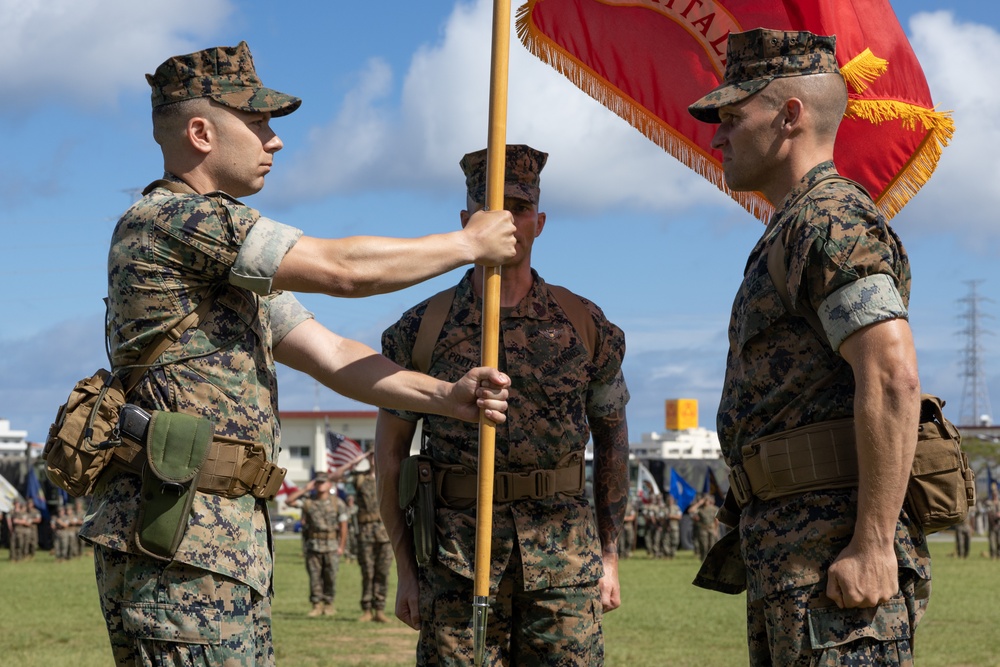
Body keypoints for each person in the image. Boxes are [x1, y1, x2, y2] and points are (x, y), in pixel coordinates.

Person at [79, 41, 517, 665]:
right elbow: (343, 270)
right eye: (256, 122)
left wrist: (445, 398)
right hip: (179, 549)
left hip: (213, 547)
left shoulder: (220, 261)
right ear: (201, 132)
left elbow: (333, 354)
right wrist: (467, 243)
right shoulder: (176, 220)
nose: (274, 140)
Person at [688, 29, 930, 665]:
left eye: (733, 116)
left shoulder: (830, 220)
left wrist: (875, 544)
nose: (717, 135)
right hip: (795, 554)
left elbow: (891, 374)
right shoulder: (795, 227)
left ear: (789, 116)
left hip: (833, 559)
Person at [376, 144, 631, 665]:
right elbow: (389, 458)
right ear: (467, 221)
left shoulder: (584, 325)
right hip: (457, 569)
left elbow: (613, 446)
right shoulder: (420, 331)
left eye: (517, 209)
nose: (506, 223)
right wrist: (405, 567)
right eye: (491, 211)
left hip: (564, 566)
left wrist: (609, 555)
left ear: (538, 221)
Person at [284, 471, 349, 617]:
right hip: (313, 544)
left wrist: (342, 546)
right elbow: (289, 501)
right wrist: (306, 489)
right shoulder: (308, 501)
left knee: (330, 576)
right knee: (314, 577)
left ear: (329, 484)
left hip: (331, 545)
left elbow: (344, 526)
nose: (320, 485)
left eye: (323, 482)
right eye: (318, 482)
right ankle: (316, 605)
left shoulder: (337, 503)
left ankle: (329, 604)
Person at [351, 462, 392, 622]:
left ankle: (380, 609)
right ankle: (367, 609)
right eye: (370, 454)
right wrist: (357, 460)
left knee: (383, 572)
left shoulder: (389, 475)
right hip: (366, 533)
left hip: (385, 532)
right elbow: (334, 477)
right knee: (367, 572)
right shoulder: (359, 478)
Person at [986, 483, 1000, 560]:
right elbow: (988, 513)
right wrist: (995, 515)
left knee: (999, 542)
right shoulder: (989, 503)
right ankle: (993, 556)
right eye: (993, 494)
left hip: (999, 526)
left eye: (996, 494)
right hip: (992, 526)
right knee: (992, 542)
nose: (995, 495)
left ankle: (998, 555)